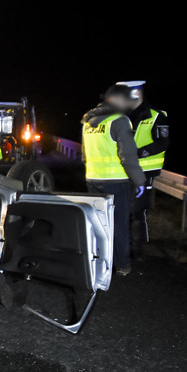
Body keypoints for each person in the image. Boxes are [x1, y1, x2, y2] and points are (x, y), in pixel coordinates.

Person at [103, 81, 169, 258]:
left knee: (136, 210)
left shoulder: (156, 116)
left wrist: (139, 153)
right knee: (121, 209)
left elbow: (162, 143)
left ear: (137, 94)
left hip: (145, 172)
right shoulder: (121, 115)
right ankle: (123, 245)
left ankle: (137, 249)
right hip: (122, 170)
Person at [81, 98, 146, 276]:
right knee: (119, 225)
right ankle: (122, 265)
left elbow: (84, 156)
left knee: (98, 223)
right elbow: (128, 156)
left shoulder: (87, 122)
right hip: (116, 182)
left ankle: (99, 262)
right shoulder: (119, 121)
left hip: (92, 179)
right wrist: (139, 181)